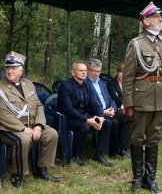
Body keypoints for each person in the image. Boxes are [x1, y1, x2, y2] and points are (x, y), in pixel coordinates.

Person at [122, 2, 162, 193]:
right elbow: (128, 78)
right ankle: (137, 178)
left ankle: (150, 179)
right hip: (141, 99)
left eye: (161, 16)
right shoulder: (136, 44)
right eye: (156, 16)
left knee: (154, 138)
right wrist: (128, 103)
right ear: (146, 20)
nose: (161, 19)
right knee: (137, 138)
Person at [0, 51, 60, 188]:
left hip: (32, 125)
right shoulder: (0, 87)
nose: (10, 71)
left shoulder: (29, 84)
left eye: (14, 68)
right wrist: (23, 129)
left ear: (22, 70)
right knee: (24, 139)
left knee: (51, 134)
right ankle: (18, 175)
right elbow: (2, 114)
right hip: (8, 129)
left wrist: (38, 126)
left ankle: (42, 169)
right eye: (7, 68)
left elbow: (38, 105)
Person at [58, 61, 112, 167]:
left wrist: (100, 116)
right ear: (73, 73)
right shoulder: (65, 86)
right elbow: (68, 109)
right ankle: (76, 155)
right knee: (85, 127)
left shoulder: (87, 84)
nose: (84, 73)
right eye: (81, 70)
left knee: (107, 123)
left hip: (85, 115)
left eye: (85, 70)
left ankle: (99, 154)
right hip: (69, 118)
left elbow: (94, 103)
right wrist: (86, 119)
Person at [86, 58, 131, 158]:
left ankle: (123, 148)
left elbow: (110, 98)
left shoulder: (102, 83)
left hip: (109, 110)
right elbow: (90, 103)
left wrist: (113, 109)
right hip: (95, 113)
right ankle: (113, 152)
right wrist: (103, 112)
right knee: (113, 122)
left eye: (98, 71)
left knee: (126, 116)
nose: (96, 74)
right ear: (88, 70)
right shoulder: (85, 84)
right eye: (94, 71)